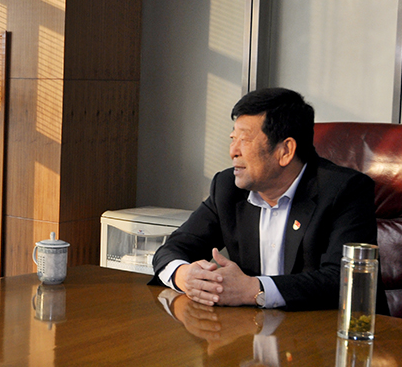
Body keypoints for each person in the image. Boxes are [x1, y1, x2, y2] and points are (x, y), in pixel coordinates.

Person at [152, 87, 388, 312]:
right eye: (233, 138)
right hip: (255, 330)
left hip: (328, 333)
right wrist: (185, 276)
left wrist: (254, 290)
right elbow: (172, 248)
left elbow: (343, 280)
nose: (233, 151)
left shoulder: (346, 190)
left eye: (244, 140)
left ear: (285, 151)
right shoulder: (227, 188)